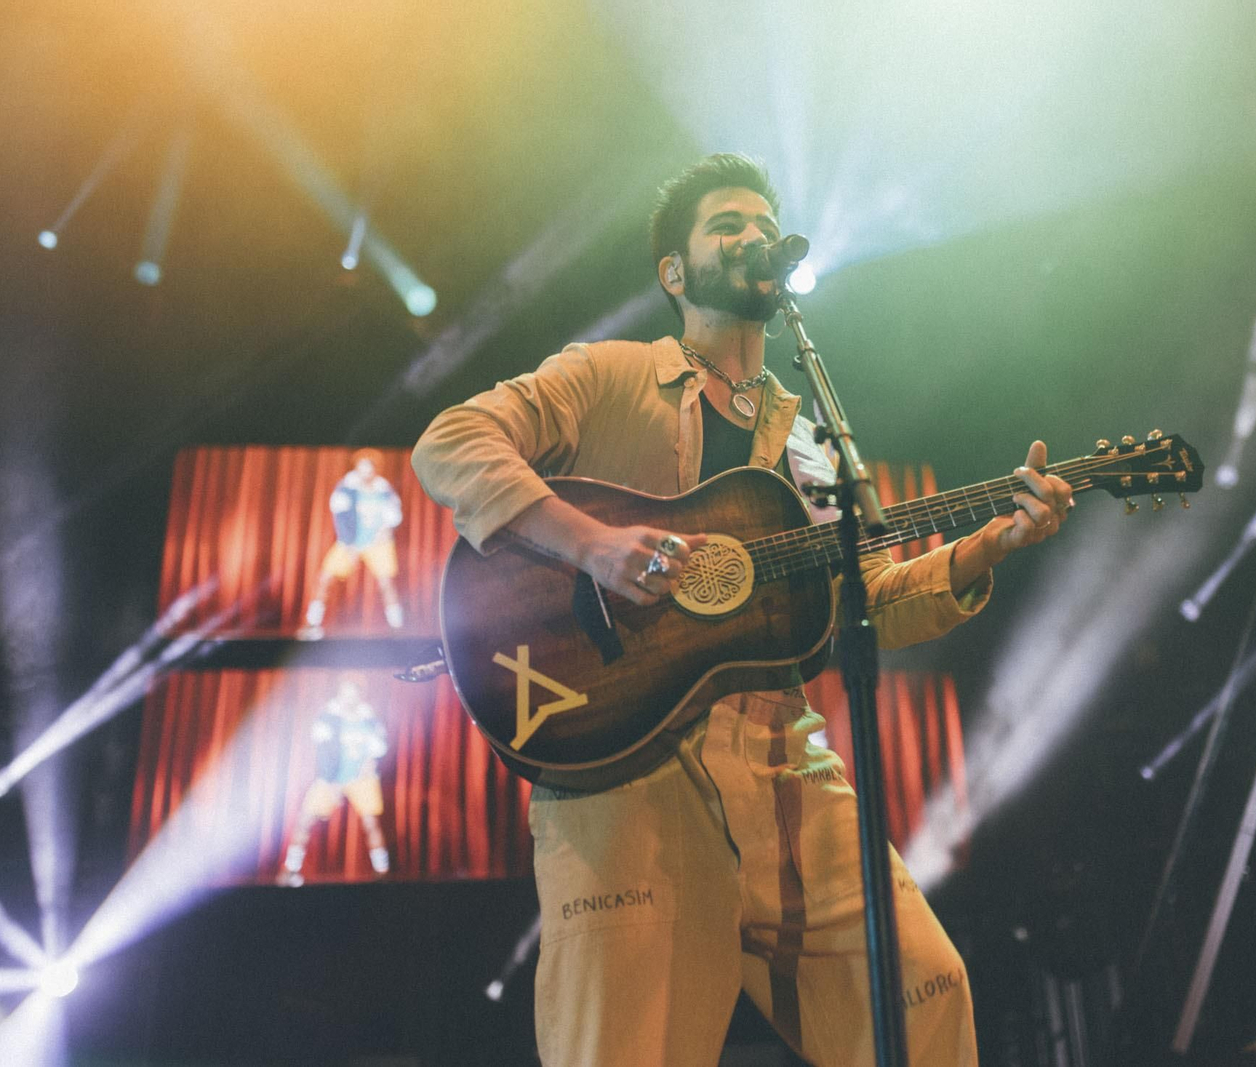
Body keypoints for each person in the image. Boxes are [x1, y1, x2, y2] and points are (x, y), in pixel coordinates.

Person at [411, 153, 1074, 1066]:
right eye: (726, 224)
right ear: (674, 274)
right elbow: (452, 442)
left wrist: (986, 546)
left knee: (923, 995)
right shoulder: (611, 375)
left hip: (783, 764)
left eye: (765, 223)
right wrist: (592, 545)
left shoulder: (809, 443)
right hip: (630, 771)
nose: (753, 235)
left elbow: (866, 596)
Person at [277, 674, 391, 886]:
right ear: (339, 695)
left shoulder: (369, 719)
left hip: (362, 778)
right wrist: (332, 783)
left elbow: (378, 749)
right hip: (330, 777)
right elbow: (323, 753)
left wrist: (367, 767)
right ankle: (290, 870)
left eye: (353, 694)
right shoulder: (328, 718)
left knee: (370, 823)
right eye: (345, 694)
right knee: (305, 819)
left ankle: (383, 873)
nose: (349, 699)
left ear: (359, 696)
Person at [298, 449, 405, 640]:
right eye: (361, 468)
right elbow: (340, 516)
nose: (365, 473)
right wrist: (350, 545)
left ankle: (398, 628)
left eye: (369, 469)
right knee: (325, 579)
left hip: (378, 544)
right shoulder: (346, 487)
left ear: (375, 470)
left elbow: (394, 516)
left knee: (386, 584)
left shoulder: (384, 489)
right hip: (349, 542)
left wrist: (385, 531)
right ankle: (312, 624)